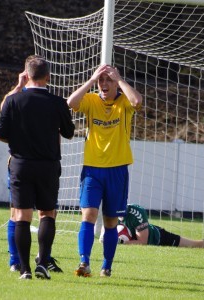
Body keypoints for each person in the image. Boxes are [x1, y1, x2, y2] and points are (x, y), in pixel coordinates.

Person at [0, 55, 75, 280]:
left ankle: (25, 269)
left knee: (22, 216)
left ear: (27, 74)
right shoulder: (58, 102)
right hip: (48, 166)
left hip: (21, 165)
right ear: (48, 76)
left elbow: (0, 135)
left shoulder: (13, 100)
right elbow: (69, 133)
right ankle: (42, 262)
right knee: (48, 214)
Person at [67, 64, 142, 277]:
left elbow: (137, 101)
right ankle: (84, 262)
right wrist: (91, 80)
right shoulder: (91, 100)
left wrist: (119, 79)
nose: (104, 84)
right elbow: (71, 102)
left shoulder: (124, 101)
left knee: (110, 221)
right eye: (102, 80)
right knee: (88, 215)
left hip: (117, 170)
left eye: (108, 80)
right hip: (93, 169)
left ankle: (107, 266)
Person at [117, 203, 204, 248]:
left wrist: (121, 243)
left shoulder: (137, 212)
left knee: (195, 245)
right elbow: (104, 237)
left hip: (158, 238)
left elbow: (143, 242)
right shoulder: (109, 211)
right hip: (141, 237)